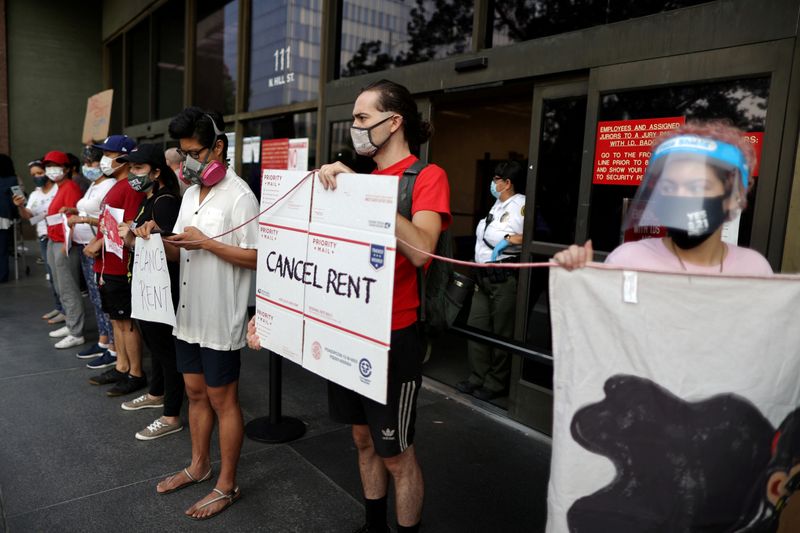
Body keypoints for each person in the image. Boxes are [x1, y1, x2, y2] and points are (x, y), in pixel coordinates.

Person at [250, 79, 451, 532]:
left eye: (362, 119)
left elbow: (422, 249)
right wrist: (272, 317)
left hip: (393, 337)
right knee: (362, 440)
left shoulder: (425, 177)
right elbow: (310, 261)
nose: (356, 128)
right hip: (345, 329)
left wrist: (364, 193)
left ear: (394, 121)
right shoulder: (351, 178)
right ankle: (373, 525)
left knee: (396, 453)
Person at [137, 108, 257, 520]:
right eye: (182, 153)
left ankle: (228, 483)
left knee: (224, 399)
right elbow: (180, 248)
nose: (187, 162)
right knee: (195, 394)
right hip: (187, 313)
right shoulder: (190, 195)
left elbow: (257, 257)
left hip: (220, 314)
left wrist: (208, 244)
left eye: (194, 153)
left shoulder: (240, 195)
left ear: (218, 147)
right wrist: (153, 239)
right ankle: (199, 465)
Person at [553, 120, 772, 276]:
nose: (680, 197)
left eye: (697, 187)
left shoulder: (754, 269)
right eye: (668, 187)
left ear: (732, 198)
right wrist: (578, 279)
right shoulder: (627, 260)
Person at [117, 143, 185, 441]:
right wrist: (133, 235)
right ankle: (157, 393)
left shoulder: (165, 201)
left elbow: (172, 251)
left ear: (156, 172)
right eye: (131, 168)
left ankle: (171, 415)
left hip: (163, 290)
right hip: (148, 288)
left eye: (139, 168)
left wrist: (134, 238)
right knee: (156, 347)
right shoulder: (151, 198)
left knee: (166, 351)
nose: (133, 174)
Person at [83, 135, 147, 395]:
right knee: (116, 320)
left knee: (125, 321)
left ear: (123, 158)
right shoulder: (115, 185)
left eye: (108, 154)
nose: (104, 160)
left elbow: (130, 224)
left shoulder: (131, 187)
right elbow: (109, 221)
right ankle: (121, 366)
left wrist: (99, 243)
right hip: (106, 265)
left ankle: (135, 372)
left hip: (120, 265)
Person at [456, 160, 525, 401]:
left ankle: (495, 383)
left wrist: (506, 241)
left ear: (508, 183)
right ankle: (477, 377)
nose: (493, 184)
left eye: (496, 179)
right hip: (482, 276)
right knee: (477, 326)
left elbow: (528, 236)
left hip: (503, 276)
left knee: (501, 331)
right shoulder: (497, 205)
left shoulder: (521, 205)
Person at [63, 146, 117, 363]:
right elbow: (90, 210)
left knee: (104, 300)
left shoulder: (110, 185)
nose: (88, 167)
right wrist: (75, 212)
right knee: (95, 298)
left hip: (99, 247)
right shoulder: (94, 185)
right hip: (86, 244)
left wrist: (85, 220)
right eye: (86, 163)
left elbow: (109, 218)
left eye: (92, 163)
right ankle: (104, 340)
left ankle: (113, 347)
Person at [42, 150, 86, 348]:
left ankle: (76, 332)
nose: (51, 170)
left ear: (67, 169)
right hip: (54, 240)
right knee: (61, 286)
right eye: (48, 166)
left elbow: (74, 219)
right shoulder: (60, 187)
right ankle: (71, 324)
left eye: (56, 166)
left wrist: (65, 245)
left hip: (64, 244)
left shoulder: (70, 187)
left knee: (68, 287)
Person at [13, 160, 63, 319]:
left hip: (61, 236)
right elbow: (29, 217)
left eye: (40, 173)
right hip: (44, 237)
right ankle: (59, 307)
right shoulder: (35, 194)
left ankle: (67, 312)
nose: (37, 177)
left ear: (47, 172)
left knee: (63, 277)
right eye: (33, 175)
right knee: (52, 276)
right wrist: (20, 206)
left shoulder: (58, 188)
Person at [0, 154, 17, 283]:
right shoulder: (12, 180)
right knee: (2, 249)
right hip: (4, 217)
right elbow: (17, 198)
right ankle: (2, 275)